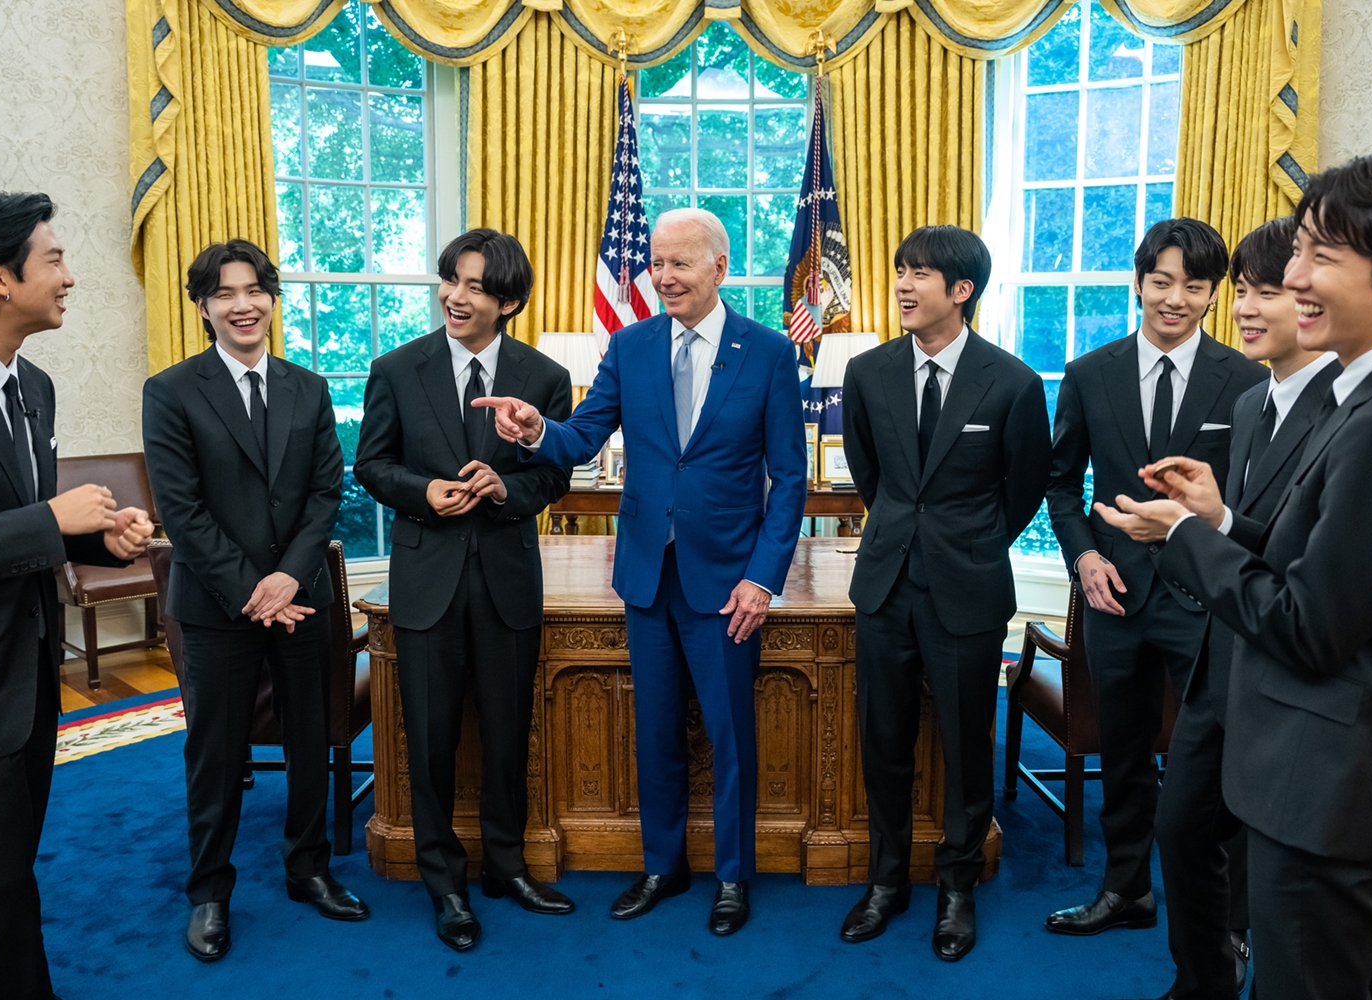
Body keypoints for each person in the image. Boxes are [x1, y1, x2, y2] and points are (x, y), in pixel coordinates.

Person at [1097, 153, 1372, 1000]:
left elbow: (1306, 622)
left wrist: (1187, 534)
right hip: (1337, 766)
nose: (1292, 279)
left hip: (1325, 781)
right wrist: (1225, 521)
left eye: (1319, 256)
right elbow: (1330, 562)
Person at [479, 207, 806, 936]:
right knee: (653, 731)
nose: (662, 277)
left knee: (730, 738)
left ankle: (733, 875)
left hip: (728, 585)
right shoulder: (628, 346)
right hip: (646, 578)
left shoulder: (770, 353)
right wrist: (537, 430)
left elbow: (790, 479)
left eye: (679, 264)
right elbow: (585, 435)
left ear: (719, 269)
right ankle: (663, 866)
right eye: (655, 264)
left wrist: (763, 577)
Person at [142, 239, 363, 963]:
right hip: (214, 606)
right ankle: (209, 891)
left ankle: (309, 869)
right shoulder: (171, 391)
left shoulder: (309, 386)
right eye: (224, 293)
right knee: (215, 750)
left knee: (309, 737)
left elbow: (326, 490)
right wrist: (252, 590)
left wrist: (290, 579)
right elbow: (182, 509)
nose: (243, 304)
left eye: (255, 290)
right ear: (202, 306)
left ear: (272, 298)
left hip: (303, 600)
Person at [353, 228, 574, 953]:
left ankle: (506, 867)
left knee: (508, 736)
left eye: (476, 285)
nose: (456, 295)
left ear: (507, 301)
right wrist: (425, 491)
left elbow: (553, 478)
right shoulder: (395, 368)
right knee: (431, 740)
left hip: (508, 583)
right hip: (426, 583)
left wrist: (505, 487)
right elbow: (372, 465)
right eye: (451, 279)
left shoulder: (543, 377)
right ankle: (443, 882)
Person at [1045, 219, 1268, 936]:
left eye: (1195, 286)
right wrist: (1084, 557)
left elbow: (1252, 500)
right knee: (1124, 752)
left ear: (1213, 294)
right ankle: (1126, 890)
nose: (1175, 299)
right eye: (1162, 282)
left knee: (1223, 761)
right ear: (1139, 283)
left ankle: (1229, 923)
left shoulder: (1247, 380)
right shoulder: (1087, 373)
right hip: (1114, 595)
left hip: (1208, 600)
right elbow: (1061, 485)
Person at [837, 226, 1050, 961]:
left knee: (965, 744)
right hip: (886, 583)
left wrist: (969, 540)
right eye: (899, 269)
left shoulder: (1015, 382)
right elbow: (872, 477)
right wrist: (906, 527)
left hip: (968, 587)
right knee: (884, 741)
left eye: (919, 273)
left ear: (961, 291)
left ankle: (958, 886)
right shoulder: (866, 373)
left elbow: (1022, 490)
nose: (901, 284)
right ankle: (886, 881)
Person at [0, 186, 152, 999]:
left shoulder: (31, 386)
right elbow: (25, 522)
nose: (70, 275)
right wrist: (50, 521)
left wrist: (93, 538)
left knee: (5, 867)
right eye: (56, 257)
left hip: (28, 674)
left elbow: (19, 524)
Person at [1143, 217, 1339, 1000]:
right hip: (1221, 665)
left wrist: (1195, 531)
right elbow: (1264, 537)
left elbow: (1308, 573)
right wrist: (1214, 517)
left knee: (1272, 873)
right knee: (1180, 831)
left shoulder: (1345, 411)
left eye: (1271, 293)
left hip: (1288, 675)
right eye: (1247, 293)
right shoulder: (1256, 401)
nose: (1249, 310)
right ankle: (1201, 983)